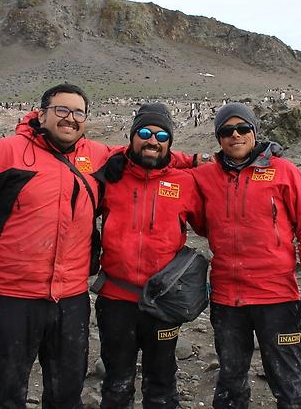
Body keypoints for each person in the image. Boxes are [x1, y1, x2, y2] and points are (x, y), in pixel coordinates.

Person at [0, 84, 204, 409]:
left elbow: (144, 153)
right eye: (61, 111)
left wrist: (199, 159)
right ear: (42, 114)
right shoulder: (7, 153)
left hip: (70, 299)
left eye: (77, 112)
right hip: (11, 296)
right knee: (8, 392)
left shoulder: (94, 156)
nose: (70, 119)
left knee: (67, 394)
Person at [192, 103, 301, 409]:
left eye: (242, 129)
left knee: (288, 384)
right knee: (230, 381)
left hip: (276, 297)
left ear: (254, 131)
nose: (235, 136)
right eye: (226, 131)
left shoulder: (284, 172)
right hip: (227, 300)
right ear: (218, 137)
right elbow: (199, 222)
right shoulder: (205, 178)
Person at [92, 103, 203, 409]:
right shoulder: (110, 177)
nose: (152, 140)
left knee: (162, 383)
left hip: (163, 302)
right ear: (131, 136)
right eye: (144, 132)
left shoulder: (186, 182)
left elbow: (208, 225)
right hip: (116, 299)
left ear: (170, 141)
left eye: (161, 135)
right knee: (116, 383)